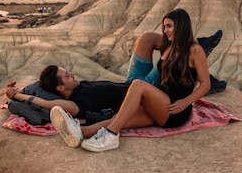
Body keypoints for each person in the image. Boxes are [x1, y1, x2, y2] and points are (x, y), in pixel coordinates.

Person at [51, 8, 211, 152]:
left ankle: (111, 136)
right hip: (161, 104)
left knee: (137, 85)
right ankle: (80, 132)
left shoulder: (195, 50)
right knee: (120, 118)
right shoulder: (169, 47)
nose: (165, 30)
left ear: (181, 25)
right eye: (164, 26)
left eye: (169, 26)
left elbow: (205, 84)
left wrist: (185, 102)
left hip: (175, 109)